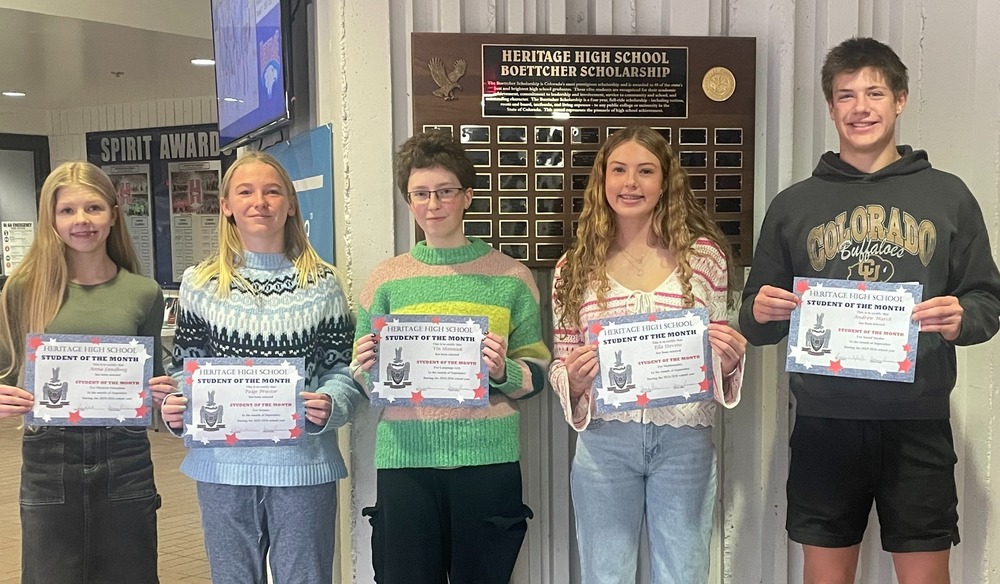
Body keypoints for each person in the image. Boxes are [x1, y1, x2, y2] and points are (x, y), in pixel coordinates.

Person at [739, 37, 1000, 584]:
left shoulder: (948, 196)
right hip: (824, 421)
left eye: (874, 92)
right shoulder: (794, 204)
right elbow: (754, 321)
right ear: (831, 107)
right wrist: (761, 312)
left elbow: (986, 300)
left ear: (900, 99)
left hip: (918, 421)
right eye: (845, 95)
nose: (861, 107)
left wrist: (963, 318)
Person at [351, 131, 552, 584]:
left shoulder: (511, 278)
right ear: (409, 201)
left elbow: (538, 373)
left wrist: (502, 371)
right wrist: (365, 366)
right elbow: (362, 378)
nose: (433, 204)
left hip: (487, 460)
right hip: (406, 461)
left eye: (445, 192)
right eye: (420, 194)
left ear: (468, 197)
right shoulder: (386, 279)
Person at [549, 125, 747, 583]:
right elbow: (563, 360)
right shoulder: (572, 267)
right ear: (602, 180)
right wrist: (574, 380)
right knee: (605, 576)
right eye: (618, 170)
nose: (630, 183)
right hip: (604, 443)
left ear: (666, 181)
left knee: (683, 575)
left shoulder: (706, 261)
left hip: (684, 442)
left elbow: (717, 354)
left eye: (645, 171)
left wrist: (731, 361)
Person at [158, 151, 362, 584]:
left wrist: (331, 404)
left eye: (272, 191)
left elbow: (343, 370)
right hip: (221, 467)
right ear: (226, 206)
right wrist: (177, 405)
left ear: (290, 203)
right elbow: (184, 369)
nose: (260, 202)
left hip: (302, 464)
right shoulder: (200, 283)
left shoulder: (322, 283)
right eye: (245, 192)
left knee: (305, 578)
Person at [0, 161, 173, 583]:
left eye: (93, 208)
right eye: (67, 211)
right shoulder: (22, 289)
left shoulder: (144, 292)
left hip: (126, 457)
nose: (82, 221)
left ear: (114, 213)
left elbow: (161, 379)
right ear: (51, 219)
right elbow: (5, 372)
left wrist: (164, 394)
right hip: (48, 461)